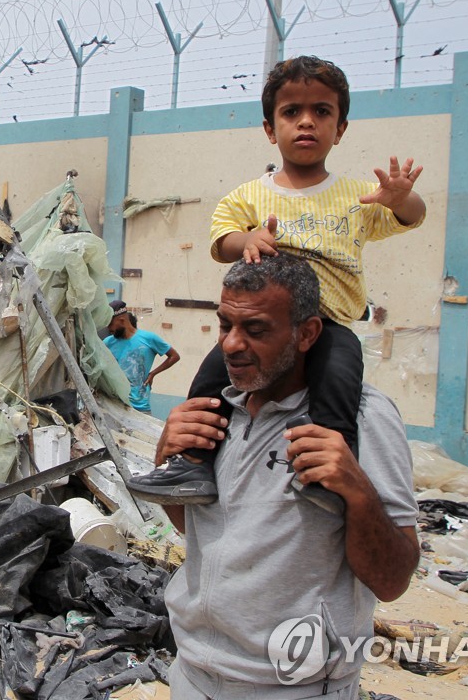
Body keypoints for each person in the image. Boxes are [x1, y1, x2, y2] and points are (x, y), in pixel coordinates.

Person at [128, 55, 425, 504]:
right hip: (267, 322)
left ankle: (324, 476)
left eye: (322, 112)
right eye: (291, 112)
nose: (307, 122)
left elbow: (411, 219)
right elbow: (220, 239)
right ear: (270, 128)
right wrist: (246, 238)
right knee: (210, 380)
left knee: (339, 382)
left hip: (329, 324)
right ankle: (192, 465)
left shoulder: (358, 196)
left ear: (340, 128)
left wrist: (403, 199)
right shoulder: (250, 195)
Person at [160, 255, 419, 698]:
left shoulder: (363, 420)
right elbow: (208, 531)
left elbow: (393, 581)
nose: (231, 345)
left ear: (307, 333)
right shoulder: (218, 412)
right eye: (225, 325)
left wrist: (357, 492)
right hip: (192, 675)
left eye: (256, 329)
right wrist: (169, 459)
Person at [103, 301, 180, 414]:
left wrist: (153, 373)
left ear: (121, 320)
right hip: (115, 405)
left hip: (140, 406)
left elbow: (174, 356)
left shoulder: (148, 338)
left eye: (110, 324)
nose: (109, 328)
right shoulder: (107, 343)